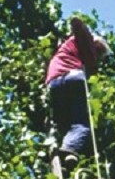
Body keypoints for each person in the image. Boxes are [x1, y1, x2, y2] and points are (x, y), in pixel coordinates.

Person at [44, 16, 110, 169]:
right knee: (82, 124)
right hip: (74, 78)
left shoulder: (68, 47)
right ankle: (70, 148)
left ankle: (65, 154)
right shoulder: (85, 43)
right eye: (99, 53)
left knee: (65, 122)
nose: (98, 57)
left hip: (53, 83)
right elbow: (77, 24)